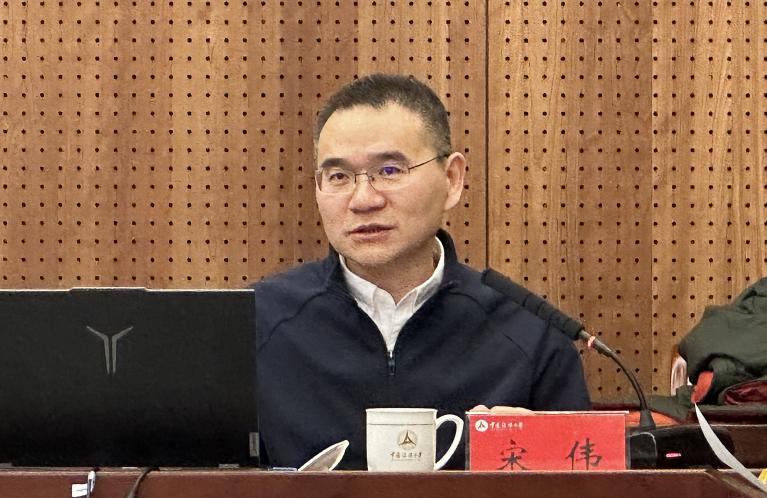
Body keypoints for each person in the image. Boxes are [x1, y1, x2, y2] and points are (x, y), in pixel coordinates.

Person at [252, 73, 590, 470]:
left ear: (452, 180)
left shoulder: (531, 334)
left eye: (389, 171)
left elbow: (586, 482)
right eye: (339, 177)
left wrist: (543, 458)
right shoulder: (255, 323)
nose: (363, 199)